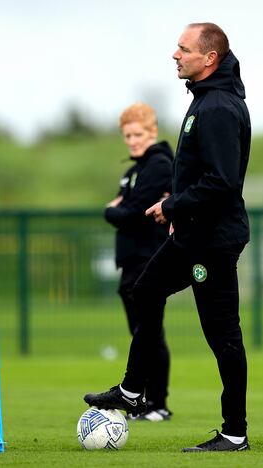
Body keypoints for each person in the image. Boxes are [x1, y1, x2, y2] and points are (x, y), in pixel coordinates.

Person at [84, 22, 252, 452]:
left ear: (209, 57)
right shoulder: (206, 100)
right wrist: (179, 208)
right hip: (193, 234)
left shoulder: (217, 107)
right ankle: (132, 390)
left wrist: (172, 204)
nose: (175, 55)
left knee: (223, 335)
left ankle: (234, 433)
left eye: (183, 49)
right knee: (144, 292)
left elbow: (223, 181)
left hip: (212, 240)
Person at [104, 102, 174, 421]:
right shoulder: (133, 170)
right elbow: (128, 209)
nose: (132, 141)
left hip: (149, 257)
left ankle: (157, 403)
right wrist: (121, 209)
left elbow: (130, 213)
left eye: (138, 134)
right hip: (131, 260)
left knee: (149, 331)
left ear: (152, 132)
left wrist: (111, 211)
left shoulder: (158, 164)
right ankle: (141, 400)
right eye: (127, 135)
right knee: (140, 332)